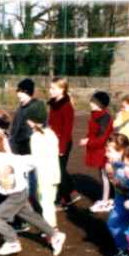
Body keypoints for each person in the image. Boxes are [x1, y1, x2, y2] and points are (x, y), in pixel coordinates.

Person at [0, 131, 67, 256]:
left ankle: (12, 242)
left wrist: (44, 158)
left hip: (18, 194)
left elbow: (28, 160)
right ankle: (56, 235)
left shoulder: (9, 159)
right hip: (11, 195)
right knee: (30, 216)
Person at [9, 78, 47, 214]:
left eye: (22, 92)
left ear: (29, 93)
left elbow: (34, 132)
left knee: (30, 184)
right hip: (19, 151)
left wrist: (16, 141)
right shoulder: (22, 107)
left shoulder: (35, 108)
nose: (19, 94)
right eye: (18, 91)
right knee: (24, 183)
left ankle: (37, 213)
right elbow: (16, 128)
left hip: (29, 152)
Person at [47, 77, 81, 211]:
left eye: (53, 88)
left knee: (58, 172)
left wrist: (61, 149)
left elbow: (67, 130)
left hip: (62, 143)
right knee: (57, 170)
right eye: (50, 88)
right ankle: (70, 194)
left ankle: (64, 199)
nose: (50, 91)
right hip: (53, 142)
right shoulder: (54, 103)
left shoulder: (67, 106)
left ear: (62, 89)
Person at [79, 91, 114, 213]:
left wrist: (87, 141)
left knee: (106, 176)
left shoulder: (104, 117)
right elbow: (95, 133)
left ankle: (105, 201)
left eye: (93, 101)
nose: (91, 103)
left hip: (104, 151)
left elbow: (102, 138)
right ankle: (108, 199)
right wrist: (88, 139)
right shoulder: (96, 115)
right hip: (99, 150)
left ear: (100, 104)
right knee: (104, 175)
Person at [29, 120, 61, 230]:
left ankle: (51, 230)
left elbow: (35, 159)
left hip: (43, 175)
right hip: (54, 174)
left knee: (45, 203)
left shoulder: (35, 137)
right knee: (49, 202)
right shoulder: (51, 133)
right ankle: (51, 227)